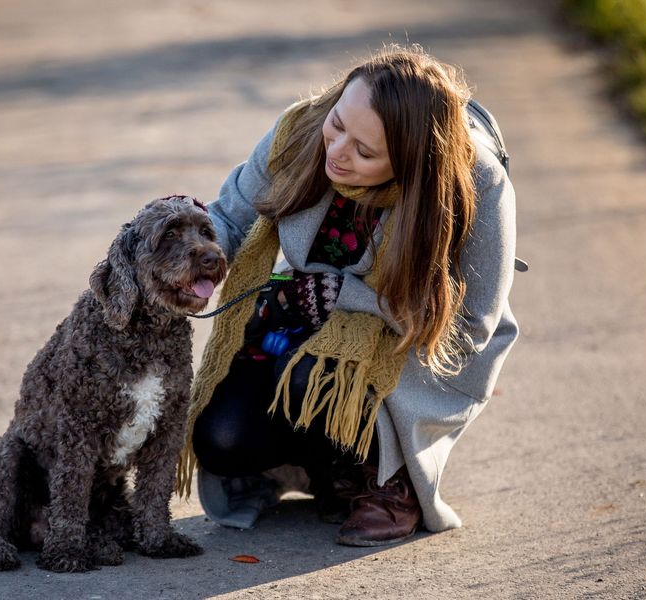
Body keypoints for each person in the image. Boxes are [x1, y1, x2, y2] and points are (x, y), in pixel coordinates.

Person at [176, 44, 519, 547]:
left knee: (315, 375)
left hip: (419, 350)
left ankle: (390, 481)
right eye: (338, 125)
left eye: (365, 151)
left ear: (412, 164)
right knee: (220, 440)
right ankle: (329, 470)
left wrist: (348, 295)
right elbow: (229, 216)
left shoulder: (475, 181)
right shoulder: (300, 130)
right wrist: (184, 256)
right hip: (306, 318)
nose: (336, 151)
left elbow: (472, 326)